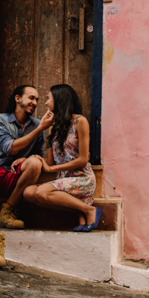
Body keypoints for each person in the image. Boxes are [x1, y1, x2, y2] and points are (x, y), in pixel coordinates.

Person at [0, 84, 53, 268]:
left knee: (35, 163)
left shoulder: (37, 124)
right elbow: (9, 148)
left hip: (15, 177)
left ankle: (7, 210)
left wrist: (27, 157)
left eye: (37, 99)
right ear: (17, 99)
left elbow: (37, 153)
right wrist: (40, 129)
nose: (35, 102)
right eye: (31, 98)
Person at [23, 84, 102, 232]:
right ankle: (80, 210)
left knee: (41, 192)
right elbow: (51, 161)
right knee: (28, 193)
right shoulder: (55, 128)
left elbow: (83, 160)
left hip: (81, 178)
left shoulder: (80, 121)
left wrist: (51, 168)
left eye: (48, 98)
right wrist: (46, 131)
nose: (46, 103)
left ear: (59, 99)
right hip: (63, 181)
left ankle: (90, 211)